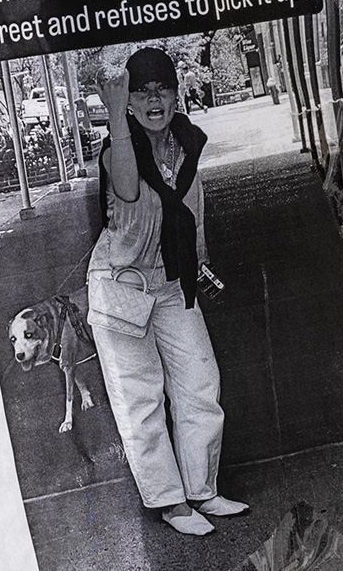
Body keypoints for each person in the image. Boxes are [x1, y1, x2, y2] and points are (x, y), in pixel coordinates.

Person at [87, 47, 248, 536]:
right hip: (122, 286)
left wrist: (198, 263)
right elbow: (132, 196)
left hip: (172, 279)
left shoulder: (186, 144)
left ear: (177, 95)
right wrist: (116, 115)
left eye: (163, 88)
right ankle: (171, 503)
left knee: (201, 383)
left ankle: (202, 489)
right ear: (130, 102)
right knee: (141, 400)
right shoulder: (119, 149)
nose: (154, 98)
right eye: (142, 90)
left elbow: (191, 207)